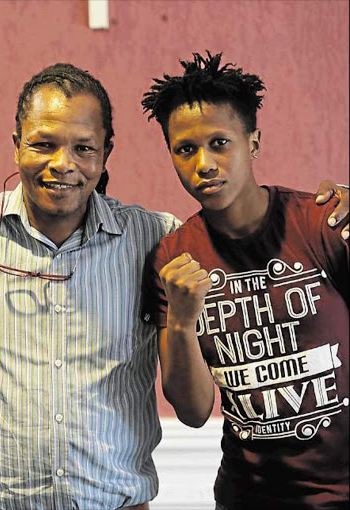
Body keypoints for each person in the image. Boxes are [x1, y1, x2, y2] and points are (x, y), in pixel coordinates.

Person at [0, 63, 349, 510]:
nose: (62, 164)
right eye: (44, 144)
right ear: (16, 146)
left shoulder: (158, 240)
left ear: (105, 153)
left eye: (83, 148)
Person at [142, 52, 348, 509]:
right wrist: (181, 320)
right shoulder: (172, 258)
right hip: (248, 496)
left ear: (252, 144)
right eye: (185, 149)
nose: (205, 164)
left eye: (220, 143)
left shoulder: (322, 223)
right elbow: (194, 414)